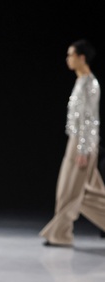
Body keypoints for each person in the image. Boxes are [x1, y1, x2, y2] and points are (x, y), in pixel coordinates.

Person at [39, 39, 105, 246]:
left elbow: (89, 119)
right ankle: (61, 234)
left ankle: (61, 235)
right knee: (81, 192)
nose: (68, 59)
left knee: (72, 192)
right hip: (76, 141)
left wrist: (84, 149)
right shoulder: (81, 81)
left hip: (83, 143)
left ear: (81, 57)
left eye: (71, 55)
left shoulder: (90, 84)